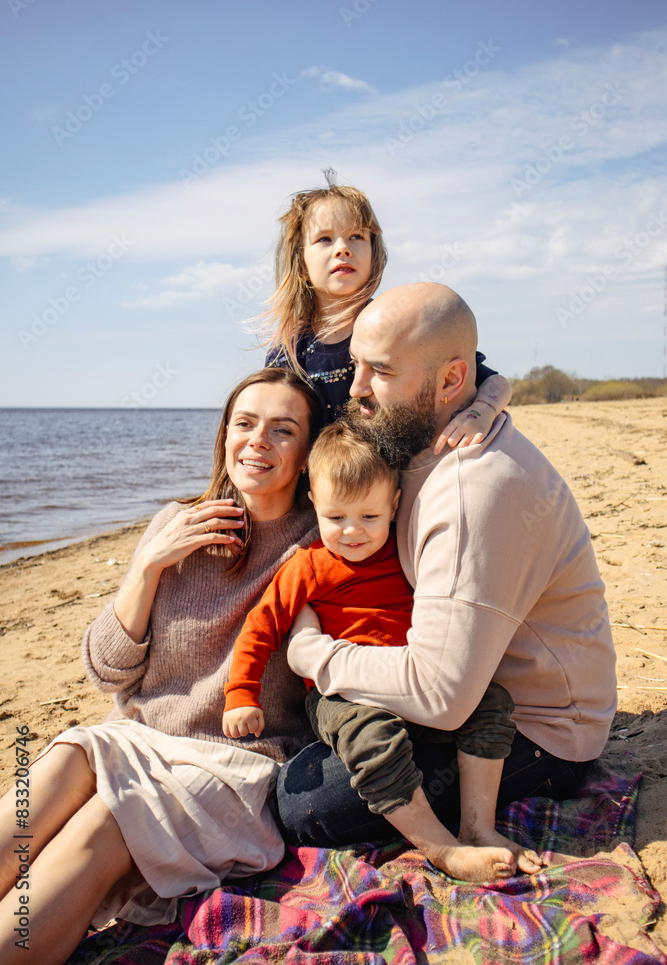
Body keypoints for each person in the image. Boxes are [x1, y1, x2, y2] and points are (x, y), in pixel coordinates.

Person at [279, 283, 618, 852]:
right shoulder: (415, 440)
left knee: (302, 802)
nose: (356, 389)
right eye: (356, 365)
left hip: (542, 731)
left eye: (380, 371)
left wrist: (314, 656)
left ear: (450, 381)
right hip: (477, 686)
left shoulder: (472, 491)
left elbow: (441, 695)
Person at [0, 367, 322, 965]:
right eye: (245, 423)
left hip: (236, 767)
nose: (258, 441)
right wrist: (146, 567)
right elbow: (106, 672)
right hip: (138, 737)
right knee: (58, 764)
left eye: (283, 431)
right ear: (225, 434)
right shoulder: (177, 522)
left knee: (100, 826)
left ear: (306, 455)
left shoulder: (324, 544)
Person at [223, 421, 540, 881]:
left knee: (490, 702)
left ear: (394, 505)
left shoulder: (406, 550)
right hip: (340, 697)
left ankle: (478, 827)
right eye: (336, 518)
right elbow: (260, 627)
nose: (352, 532)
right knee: (372, 739)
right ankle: (441, 848)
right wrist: (241, 694)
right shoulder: (308, 566)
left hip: (412, 682)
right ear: (314, 502)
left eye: (368, 517)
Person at [262, 172, 512, 446]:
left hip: (393, 483)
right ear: (300, 261)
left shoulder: (395, 325)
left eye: (356, 236)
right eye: (324, 239)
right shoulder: (287, 350)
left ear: (374, 252)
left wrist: (481, 412)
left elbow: (494, 382)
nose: (343, 249)